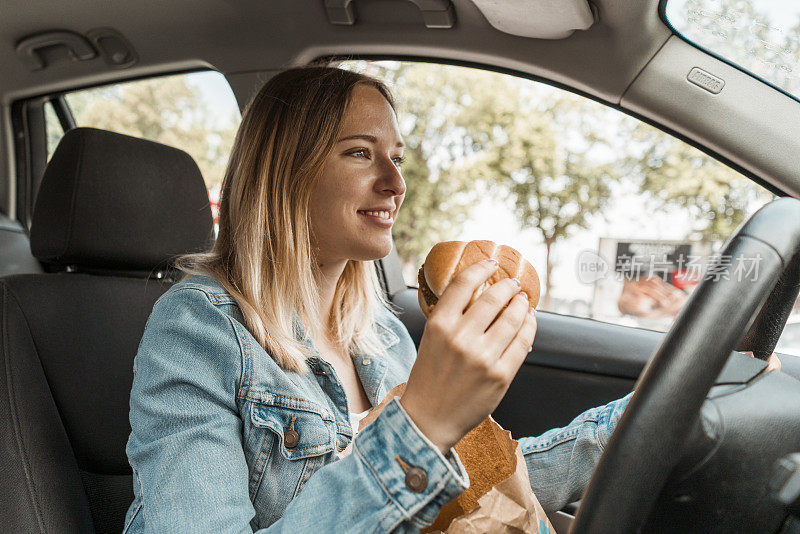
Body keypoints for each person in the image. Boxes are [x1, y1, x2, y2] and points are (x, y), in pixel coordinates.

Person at [125, 65, 750, 533]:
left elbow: (487, 480)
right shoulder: (198, 331)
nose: (395, 184)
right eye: (361, 153)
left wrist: (658, 407)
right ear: (284, 170)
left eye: (397, 158)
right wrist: (420, 424)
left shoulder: (383, 333)